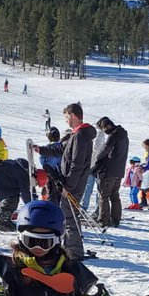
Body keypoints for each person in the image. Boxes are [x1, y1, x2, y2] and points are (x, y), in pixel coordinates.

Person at [59, 103, 97, 261]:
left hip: (74, 184)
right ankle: (71, 247)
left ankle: (74, 252)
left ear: (73, 116)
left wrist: (68, 186)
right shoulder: (78, 134)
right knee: (71, 216)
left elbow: (77, 163)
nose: (66, 121)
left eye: (67, 117)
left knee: (69, 217)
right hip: (75, 183)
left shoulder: (80, 136)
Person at [93, 117, 129, 228]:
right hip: (119, 170)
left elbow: (105, 149)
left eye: (104, 129)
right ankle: (116, 219)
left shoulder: (114, 135)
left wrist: (97, 159)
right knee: (114, 195)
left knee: (104, 195)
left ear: (107, 126)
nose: (105, 132)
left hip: (109, 170)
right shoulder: (123, 135)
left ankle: (104, 220)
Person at [0, 157, 32, 232]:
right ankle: (2, 223)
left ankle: (3, 217)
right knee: (11, 198)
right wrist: (30, 206)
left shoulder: (18, 166)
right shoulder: (23, 172)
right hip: (0, 179)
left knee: (10, 197)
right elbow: (25, 191)